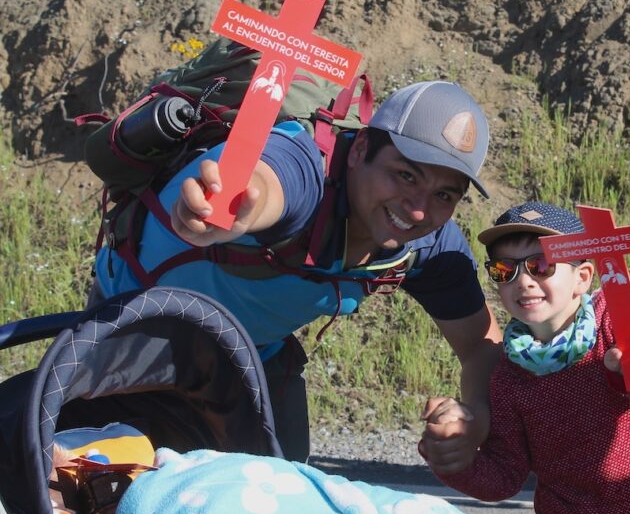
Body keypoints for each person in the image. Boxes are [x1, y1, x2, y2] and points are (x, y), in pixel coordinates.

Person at [90, 80, 502, 466]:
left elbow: (481, 344)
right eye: (406, 175)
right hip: (128, 333)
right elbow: (266, 183)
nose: (417, 209)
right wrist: (234, 211)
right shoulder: (304, 169)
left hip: (247, 357)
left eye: (444, 194)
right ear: (359, 149)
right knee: (98, 503)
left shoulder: (429, 242)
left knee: (281, 507)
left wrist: (478, 416)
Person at [422, 201, 630, 514]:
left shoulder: (614, 319)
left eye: (540, 266)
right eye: (505, 270)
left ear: (582, 278)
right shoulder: (508, 372)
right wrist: (457, 463)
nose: (522, 281)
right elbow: (505, 474)